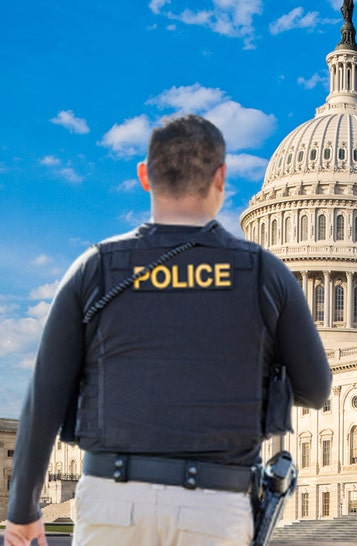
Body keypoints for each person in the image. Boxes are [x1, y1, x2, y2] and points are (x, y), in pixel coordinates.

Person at [4, 114, 332, 546]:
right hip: (216, 503)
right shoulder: (264, 274)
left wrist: (24, 508)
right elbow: (317, 388)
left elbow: (45, 395)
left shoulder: (94, 268)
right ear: (221, 178)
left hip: (112, 501)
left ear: (144, 176)